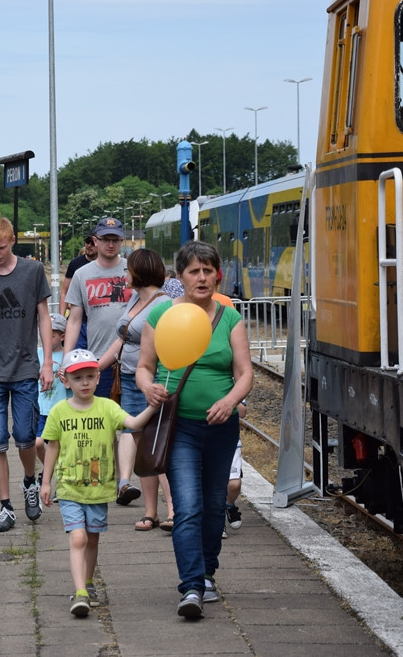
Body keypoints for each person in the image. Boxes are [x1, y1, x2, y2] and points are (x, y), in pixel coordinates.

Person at [135, 240, 252, 619]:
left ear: (218, 273)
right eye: (193, 271)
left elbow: (244, 373)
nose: (202, 278)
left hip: (221, 427)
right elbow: (144, 367)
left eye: (208, 270)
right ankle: (191, 587)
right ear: (180, 276)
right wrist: (147, 387)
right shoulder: (162, 316)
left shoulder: (230, 318)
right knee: (187, 506)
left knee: (214, 505)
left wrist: (230, 401)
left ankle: (207, 573)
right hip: (178, 426)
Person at [40, 348, 157, 617]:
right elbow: (52, 448)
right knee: (78, 537)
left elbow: (133, 422)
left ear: (97, 377)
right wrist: (46, 482)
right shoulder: (59, 412)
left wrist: (152, 404)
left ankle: (88, 583)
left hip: (98, 489)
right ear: (66, 381)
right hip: (69, 487)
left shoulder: (108, 408)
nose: (84, 382)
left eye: (90, 377)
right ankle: (79, 593)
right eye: (78, 377)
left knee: (92, 540)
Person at [0, 216, 54, 532]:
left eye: (1, 247)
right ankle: (5, 506)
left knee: (26, 436)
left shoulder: (32, 272)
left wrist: (46, 363)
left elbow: (44, 316)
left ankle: (30, 481)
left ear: (12, 241)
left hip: (26, 365)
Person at [63, 217, 139, 507]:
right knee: (99, 424)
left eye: (115, 239)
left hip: (132, 358)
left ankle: (124, 481)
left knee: (128, 424)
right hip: (98, 361)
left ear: (121, 241)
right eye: (105, 238)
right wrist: (66, 359)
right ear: (95, 240)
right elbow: (75, 319)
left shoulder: (132, 269)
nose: (110, 244)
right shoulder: (83, 274)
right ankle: (102, 478)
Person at [99, 248, 174, 532]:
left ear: (139, 271)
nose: (125, 273)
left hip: (151, 383)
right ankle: (150, 511)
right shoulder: (134, 298)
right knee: (141, 442)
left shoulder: (164, 305)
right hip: (129, 378)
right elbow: (121, 341)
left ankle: (173, 508)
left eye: (129, 269)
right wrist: (98, 366)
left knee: (157, 444)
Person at [35, 313, 69, 498]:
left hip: (62, 410)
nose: (48, 337)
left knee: (63, 449)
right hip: (42, 409)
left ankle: (61, 484)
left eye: (53, 334)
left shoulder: (67, 355)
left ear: (63, 336)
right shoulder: (38, 354)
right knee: (37, 443)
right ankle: (50, 470)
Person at [60, 234, 97, 349]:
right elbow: (64, 291)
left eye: (92, 242)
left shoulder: (107, 265)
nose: (88, 245)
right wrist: (61, 319)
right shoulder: (76, 264)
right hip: (79, 321)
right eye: (87, 241)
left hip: (98, 322)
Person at [223, 400, 248, 539]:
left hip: (230, 441)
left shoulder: (232, 382)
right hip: (203, 439)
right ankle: (219, 522)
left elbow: (242, 412)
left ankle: (229, 505)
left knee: (234, 485)